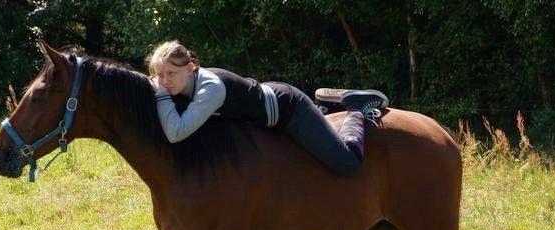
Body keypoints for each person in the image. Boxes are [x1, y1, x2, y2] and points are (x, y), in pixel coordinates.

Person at [147, 41, 388, 176]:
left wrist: (160, 95)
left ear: (190, 68)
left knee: (348, 163)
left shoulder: (209, 89)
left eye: (171, 74)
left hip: (288, 110)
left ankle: (356, 106)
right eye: (160, 75)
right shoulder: (183, 86)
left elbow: (176, 132)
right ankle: (325, 105)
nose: (165, 81)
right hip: (264, 105)